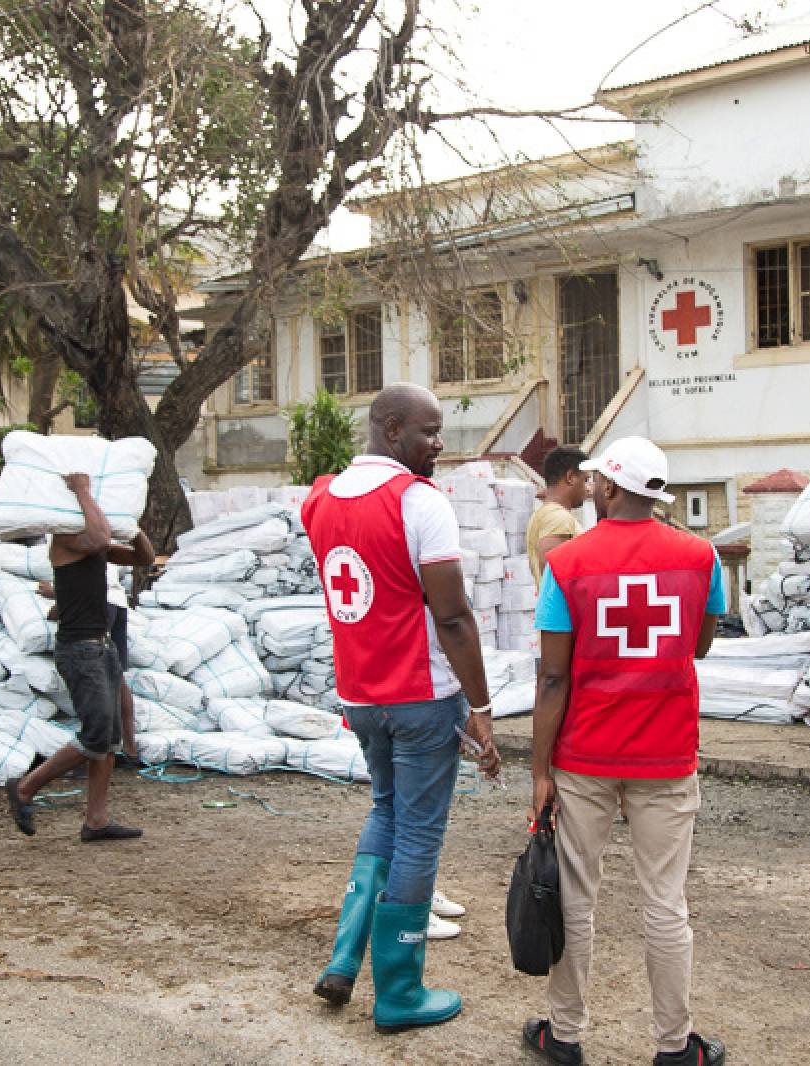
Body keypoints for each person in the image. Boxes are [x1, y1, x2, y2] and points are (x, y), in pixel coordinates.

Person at [302, 382, 500, 1034]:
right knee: (418, 834)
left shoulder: (321, 498)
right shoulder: (419, 502)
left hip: (360, 696)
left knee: (386, 812)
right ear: (391, 430)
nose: (438, 444)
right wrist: (482, 706)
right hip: (420, 697)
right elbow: (452, 617)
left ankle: (343, 960)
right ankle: (398, 992)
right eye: (428, 431)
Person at [523, 435, 727, 1066]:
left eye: (597, 483)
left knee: (576, 899)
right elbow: (699, 647)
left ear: (610, 488)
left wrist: (539, 769)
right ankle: (674, 1048)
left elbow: (553, 677)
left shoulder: (568, 565)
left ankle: (562, 1036)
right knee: (666, 902)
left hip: (584, 756)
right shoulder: (701, 558)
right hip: (667, 756)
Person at [5, 475, 149, 842]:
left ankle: (96, 820)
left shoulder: (96, 547)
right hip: (79, 649)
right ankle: (24, 789)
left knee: (111, 736)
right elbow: (100, 537)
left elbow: (143, 558)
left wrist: (133, 529)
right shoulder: (67, 540)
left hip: (102, 647)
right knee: (97, 733)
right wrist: (83, 490)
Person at [526, 446, 591, 585]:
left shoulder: (545, 513)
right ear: (571, 477)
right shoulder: (558, 517)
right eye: (585, 480)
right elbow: (552, 568)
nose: (588, 488)